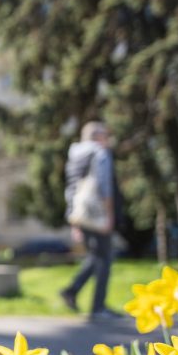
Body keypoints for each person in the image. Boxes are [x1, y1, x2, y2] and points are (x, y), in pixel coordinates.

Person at [59, 121, 123, 319]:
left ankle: (71, 291)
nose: (108, 139)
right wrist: (109, 215)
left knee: (96, 256)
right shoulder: (100, 153)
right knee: (104, 258)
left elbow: (71, 189)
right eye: (105, 135)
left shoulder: (74, 156)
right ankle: (98, 307)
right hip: (98, 213)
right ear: (97, 137)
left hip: (81, 213)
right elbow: (105, 187)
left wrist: (74, 220)